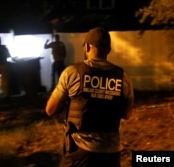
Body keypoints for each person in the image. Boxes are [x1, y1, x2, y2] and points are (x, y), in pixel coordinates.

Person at [45, 27, 134, 167]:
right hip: (112, 153)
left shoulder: (73, 72)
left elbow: (50, 110)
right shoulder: (123, 77)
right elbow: (127, 114)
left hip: (79, 152)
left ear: (86, 47)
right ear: (109, 49)